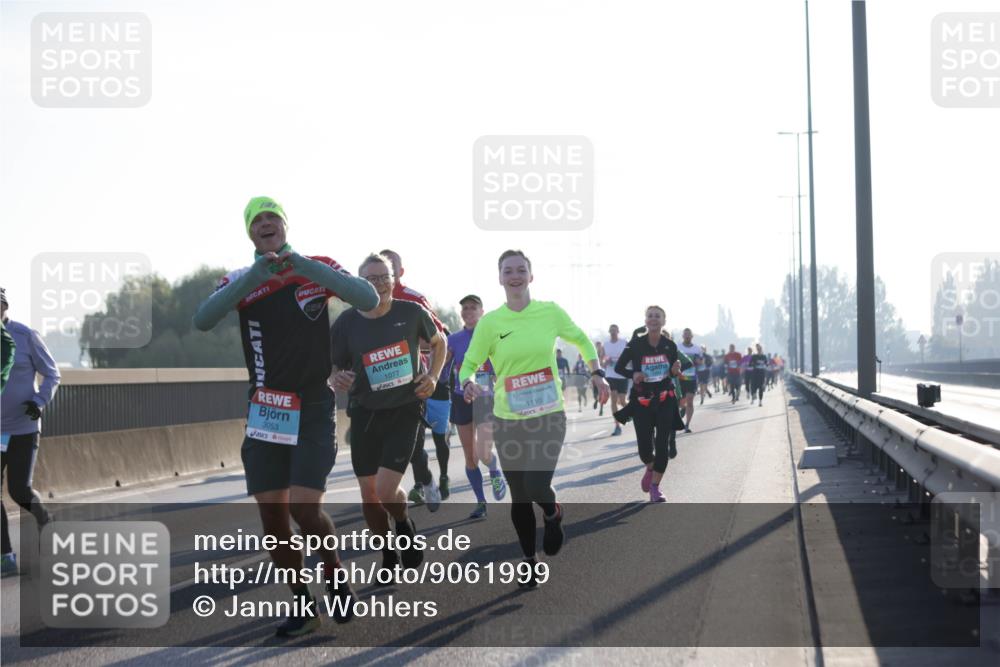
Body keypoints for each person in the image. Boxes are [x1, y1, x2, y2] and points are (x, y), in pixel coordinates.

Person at [192, 196, 378, 637]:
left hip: (313, 406)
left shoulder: (317, 268)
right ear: (250, 233)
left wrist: (304, 267)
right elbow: (203, 320)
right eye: (256, 221)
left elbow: (367, 297)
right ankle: (302, 604)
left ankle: (334, 576)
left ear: (285, 225)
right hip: (266, 411)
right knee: (273, 520)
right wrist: (256, 276)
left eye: (272, 217)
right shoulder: (239, 280)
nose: (265, 224)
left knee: (304, 508)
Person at [460, 250, 610, 587]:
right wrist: (467, 383)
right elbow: (468, 364)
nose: (515, 276)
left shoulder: (550, 312)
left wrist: (596, 372)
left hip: (548, 415)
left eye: (521, 270)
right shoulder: (491, 323)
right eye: (508, 271)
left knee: (537, 484)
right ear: (500, 278)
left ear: (531, 275)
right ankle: (528, 561)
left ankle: (553, 512)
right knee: (519, 495)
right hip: (508, 419)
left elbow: (582, 340)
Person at [331, 253, 447, 580]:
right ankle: (387, 551)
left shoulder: (411, 313)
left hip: (405, 410)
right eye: (371, 278)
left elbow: (440, 343)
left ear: (394, 280)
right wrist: (336, 378)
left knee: (385, 490)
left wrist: (434, 377)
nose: (379, 283)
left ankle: (402, 523)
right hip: (364, 413)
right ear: (358, 284)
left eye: (384, 277)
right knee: (370, 495)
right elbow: (335, 367)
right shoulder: (346, 323)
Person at [379, 249, 444, 510]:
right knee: (379, 445)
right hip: (377, 386)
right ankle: (387, 496)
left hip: (411, 383)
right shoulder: (365, 300)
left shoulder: (414, 299)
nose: (385, 276)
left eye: (391, 268)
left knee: (413, 447)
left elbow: (439, 337)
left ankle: (427, 482)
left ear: (400, 272)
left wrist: (430, 373)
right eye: (379, 271)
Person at [1, 288, 59, 578]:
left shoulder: (25, 336)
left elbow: (52, 373)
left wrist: (39, 402)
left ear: (5, 307)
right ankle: (5, 557)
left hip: (24, 428)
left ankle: (44, 519)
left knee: (19, 490)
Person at [613, 306, 683, 502]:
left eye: (657, 316)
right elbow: (619, 367)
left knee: (662, 446)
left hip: (665, 399)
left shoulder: (670, 345)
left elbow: (672, 371)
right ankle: (650, 466)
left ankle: (655, 487)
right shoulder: (635, 344)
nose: (653, 319)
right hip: (642, 401)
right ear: (645, 320)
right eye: (650, 316)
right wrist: (633, 374)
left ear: (664, 321)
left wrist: (675, 370)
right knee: (645, 449)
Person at [447, 294, 507, 519]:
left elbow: (503, 368)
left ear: (482, 312)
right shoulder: (453, 339)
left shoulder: (493, 338)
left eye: (473, 308)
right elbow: (442, 366)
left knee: (483, 452)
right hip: (462, 399)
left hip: (485, 399)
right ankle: (481, 502)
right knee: (470, 455)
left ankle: (494, 469)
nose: (468, 311)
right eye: (464, 308)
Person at [603, 325, 628, 436]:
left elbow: (630, 357)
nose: (613, 332)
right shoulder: (606, 345)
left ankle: (633, 413)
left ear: (618, 331)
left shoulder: (624, 342)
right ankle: (617, 426)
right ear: (609, 332)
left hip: (622, 375)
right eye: (611, 331)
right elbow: (602, 360)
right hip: (610, 375)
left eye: (615, 330)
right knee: (613, 398)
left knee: (622, 401)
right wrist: (605, 362)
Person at [676, 329, 702, 433]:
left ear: (692, 336)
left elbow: (701, 362)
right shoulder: (678, 347)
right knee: (680, 402)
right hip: (679, 378)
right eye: (685, 335)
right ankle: (683, 408)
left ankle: (686, 425)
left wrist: (698, 361)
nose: (687, 336)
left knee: (690, 401)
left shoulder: (697, 348)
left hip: (692, 378)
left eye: (689, 335)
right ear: (682, 336)